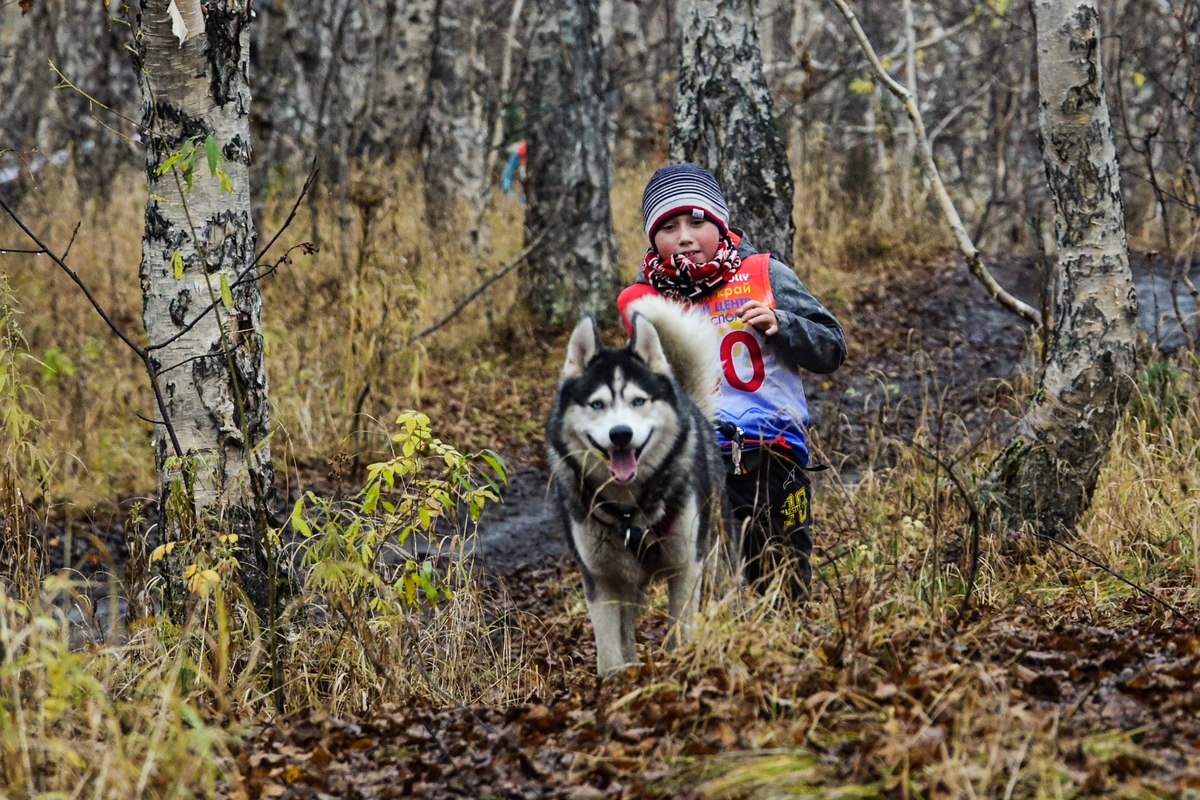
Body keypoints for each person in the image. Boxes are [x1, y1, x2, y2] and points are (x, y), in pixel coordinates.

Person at [618, 163, 846, 601]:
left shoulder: (764, 274)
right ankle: (715, 660)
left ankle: (787, 652)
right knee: (707, 583)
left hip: (776, 452)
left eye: (697, 221)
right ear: (653, 239)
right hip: (696, 461)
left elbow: (832, 347)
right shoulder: (646, 299)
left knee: (783, 574)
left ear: (720, 224)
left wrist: (782, 324)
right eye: (668, 226)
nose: (684, 236)